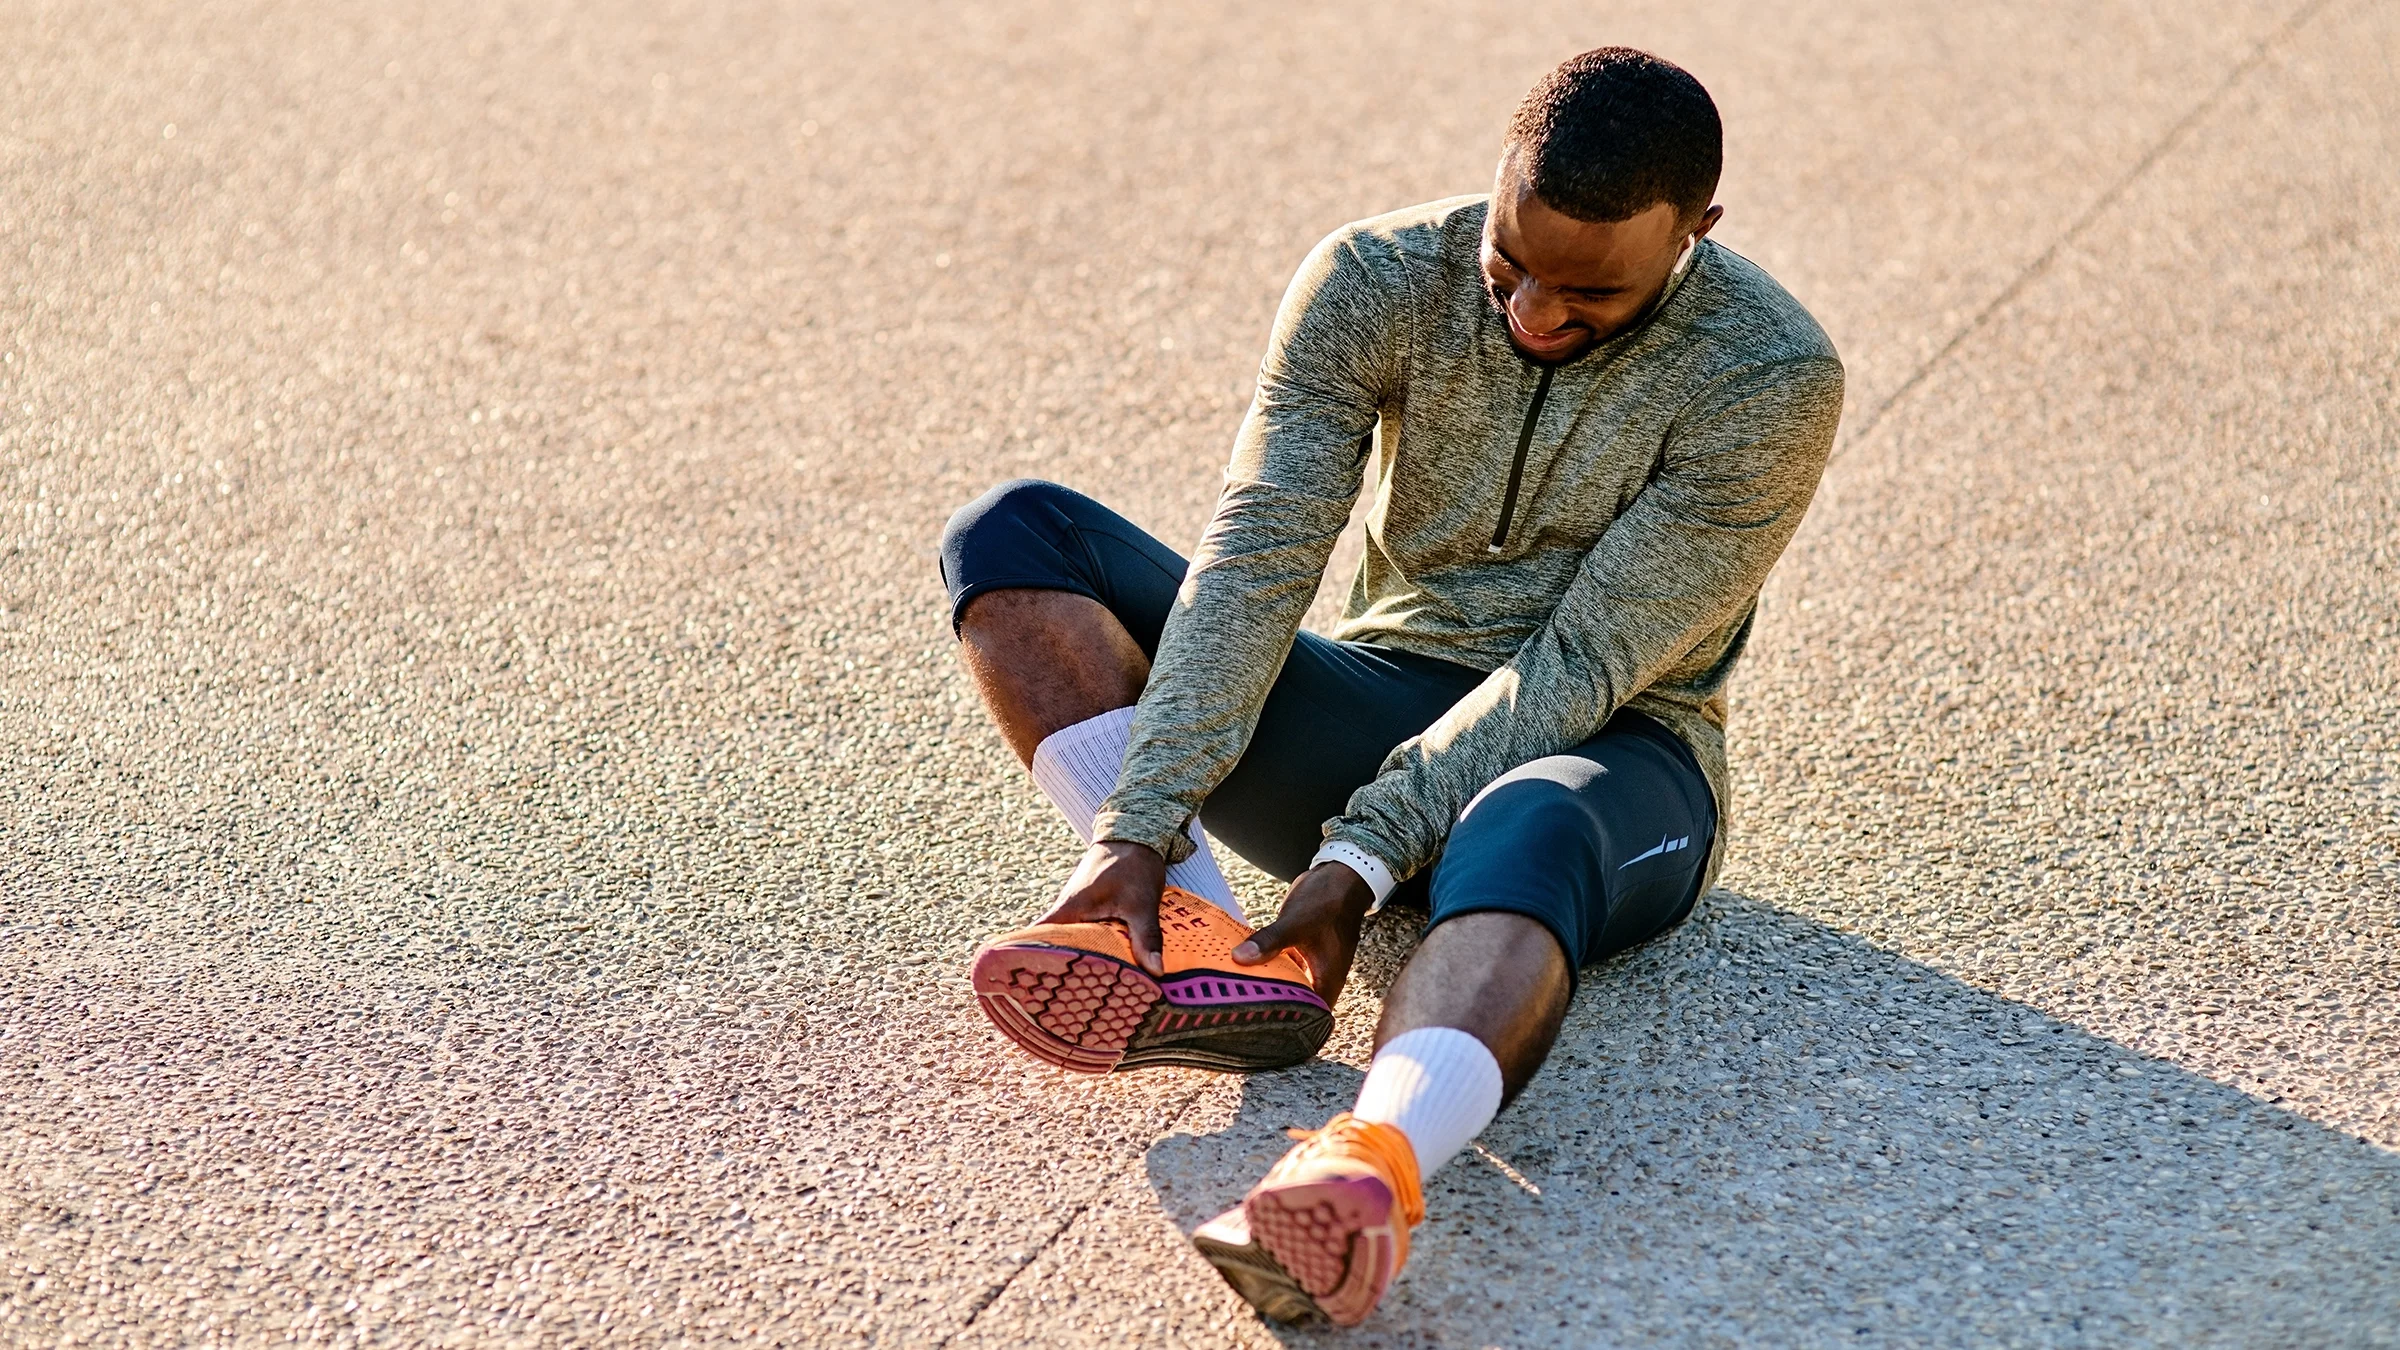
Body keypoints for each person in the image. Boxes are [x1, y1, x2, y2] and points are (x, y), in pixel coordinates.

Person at [941, 47, 1843, 1326]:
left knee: (1520, 816)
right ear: (1496, 179)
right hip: (1381, 695)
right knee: (1017, 534)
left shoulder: (1768, 375)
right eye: (1511, 260)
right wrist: (1142, 818)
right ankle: (1204, 946)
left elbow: (1580, 663)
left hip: (1613, 749)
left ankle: (1372, 1164)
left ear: (1697, 233)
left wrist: (1357, 862)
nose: (1533, 311)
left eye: (1590, 290)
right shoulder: (1374, 276)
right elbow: (1258, 556)